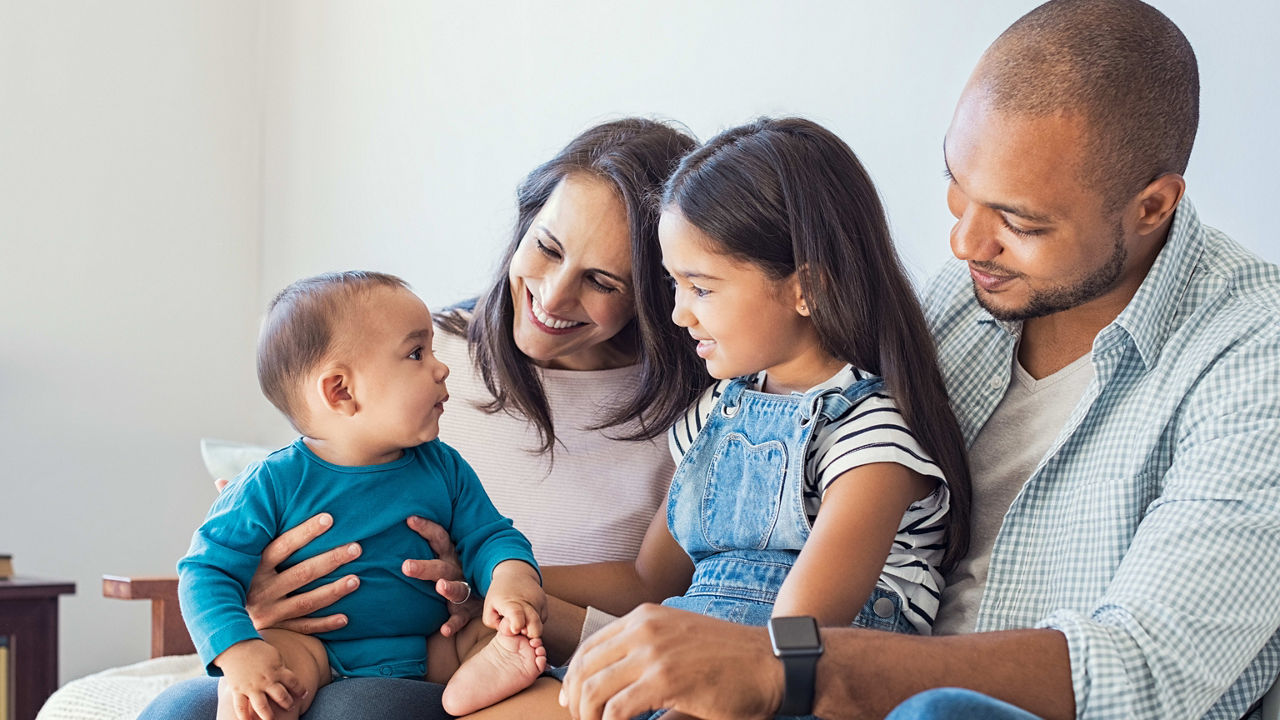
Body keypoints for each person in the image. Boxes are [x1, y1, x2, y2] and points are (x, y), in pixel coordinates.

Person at [556, 2, 1280, 719]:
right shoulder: (965, 298)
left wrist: (785, 665)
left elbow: (1144, 669)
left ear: (1152, 206)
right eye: (956, 191)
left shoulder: (1253, 354)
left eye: (1018, 222)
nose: (966, 243)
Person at [139, 118, 707, 720]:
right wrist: (251, 605)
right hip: (321, 641)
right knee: (178, 710)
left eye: (601, 280)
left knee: (361, 710)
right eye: (546, 247)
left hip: (477, 649)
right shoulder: (407, 351)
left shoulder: (697, 414)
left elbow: (656, 593)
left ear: (657, 288)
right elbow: (311, 484)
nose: (553, 296)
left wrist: (493, 582)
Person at [468, 116, 974, 720]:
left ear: (805, 288)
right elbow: (645, 581)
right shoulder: (718, 412)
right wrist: (512, 582)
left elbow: (793, 644)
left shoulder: (870, 440)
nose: (678, 315)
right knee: (477, 686)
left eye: (701, 288)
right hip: (690, 652)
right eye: (673, 284)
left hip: (785, 684)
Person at [179, 271, 550, 719]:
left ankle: (475, 682)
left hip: (432, 644)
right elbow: (205, 571)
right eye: (417, 353)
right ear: (341, 391)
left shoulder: (444, 467)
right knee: (262, 686)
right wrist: (238, 653)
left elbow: (490, 537)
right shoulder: (272, 482)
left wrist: (511, 582)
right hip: (313, 648)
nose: (441, 367)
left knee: (489, 635)